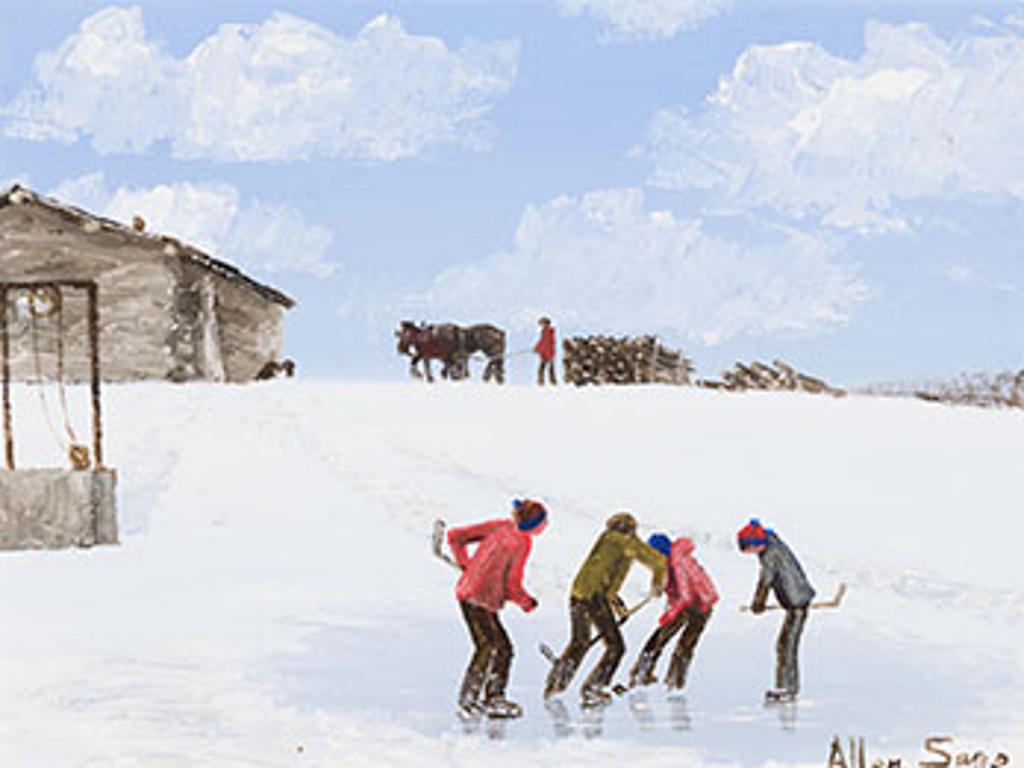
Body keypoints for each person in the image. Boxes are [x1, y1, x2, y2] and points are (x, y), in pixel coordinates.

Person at [544, 512, 667, 706]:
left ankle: (556, 683)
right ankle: (593, 688)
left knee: (580, 642)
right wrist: (657, 585)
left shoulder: (606, 539)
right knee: (616, 647)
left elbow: (604, 574)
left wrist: (617, 604)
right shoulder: (627, 543)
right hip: (593, 597)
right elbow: (658, 562)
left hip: (578, 594)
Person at [447, 499, 548, 719]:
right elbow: (512, 584)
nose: (546, 524)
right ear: (534, 524)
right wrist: (526, 602)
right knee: (493, 648)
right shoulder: (521, 542)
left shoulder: (501, 526)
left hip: (469, 594)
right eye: (543, 521)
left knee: (494, 646)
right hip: (481, 598)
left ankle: (483, 698)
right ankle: (479, 700)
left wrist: (467, 565)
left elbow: (455, 537)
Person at [737, 518, 815, 702]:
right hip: (793, 602)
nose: (747, 552)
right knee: (784, 645)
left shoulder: (770, 553)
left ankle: (788, 689)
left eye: (747, 548)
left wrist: (758, 603)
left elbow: (765, 580)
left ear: (756, 544)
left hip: (797, 603)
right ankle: (784, 686)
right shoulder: (770, 545)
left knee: (787, 645)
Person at [629, 533, 718, 691]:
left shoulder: (678, 563)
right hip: (687, 603)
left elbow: (686, 595)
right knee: (660, 637)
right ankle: (644, 675)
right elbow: (673, 588)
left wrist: (670, 614)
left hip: (699, 605)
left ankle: (674, 683)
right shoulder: (669, 562)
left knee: (683, 644)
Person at [533, 316, 557, 386]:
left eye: (542, 324)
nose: (541, 325)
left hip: (547, 353)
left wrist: (537, 348)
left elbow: (545, 342)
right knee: (549, 369)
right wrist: (537, 348)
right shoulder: (547, 332)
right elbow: (542, 342)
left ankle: (542, 383)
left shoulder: (548, 332)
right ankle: (551, 382)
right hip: (546, 353)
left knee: (544, 369)